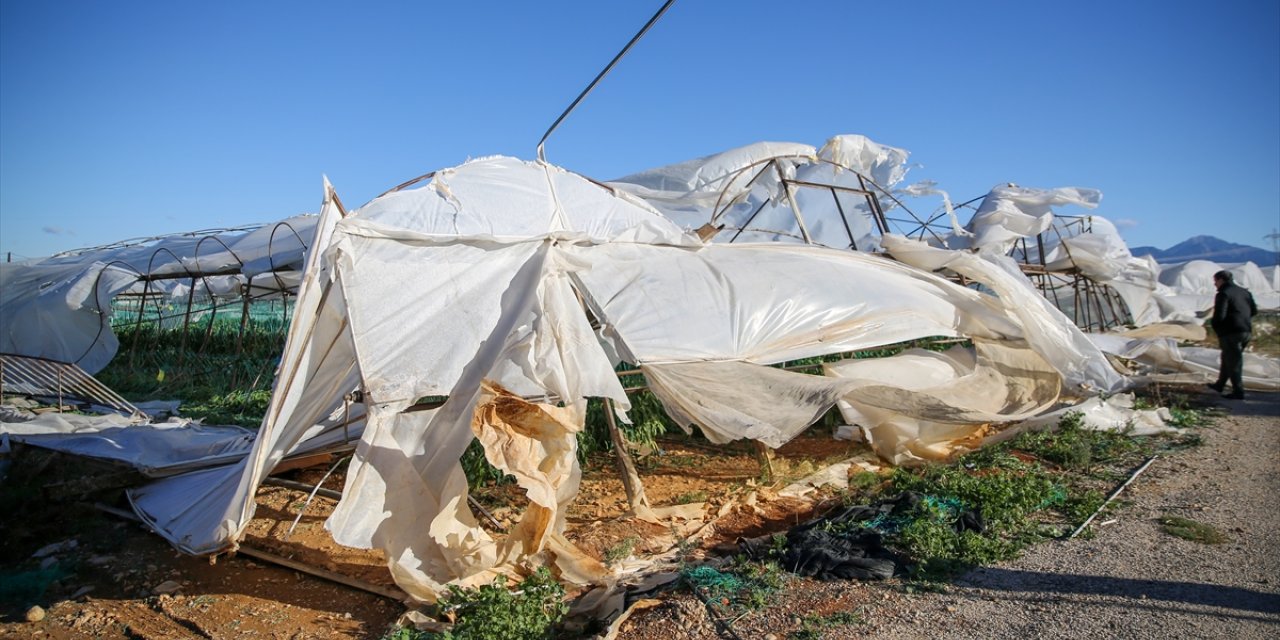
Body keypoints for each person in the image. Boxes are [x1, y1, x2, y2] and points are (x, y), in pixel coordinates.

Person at [1207, 270, 1257, 399]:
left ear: (1221, 280)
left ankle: (1238, 391)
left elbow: (1220, 315)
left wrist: (1217, 327)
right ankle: (1220, 384)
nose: (1215, 284)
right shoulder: (1244, 292)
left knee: (1234, 361)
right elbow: (1254, 311)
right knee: (1228, 358)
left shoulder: (1223, 293)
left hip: (1231, 332)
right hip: (1246, 330)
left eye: (1215, 281)